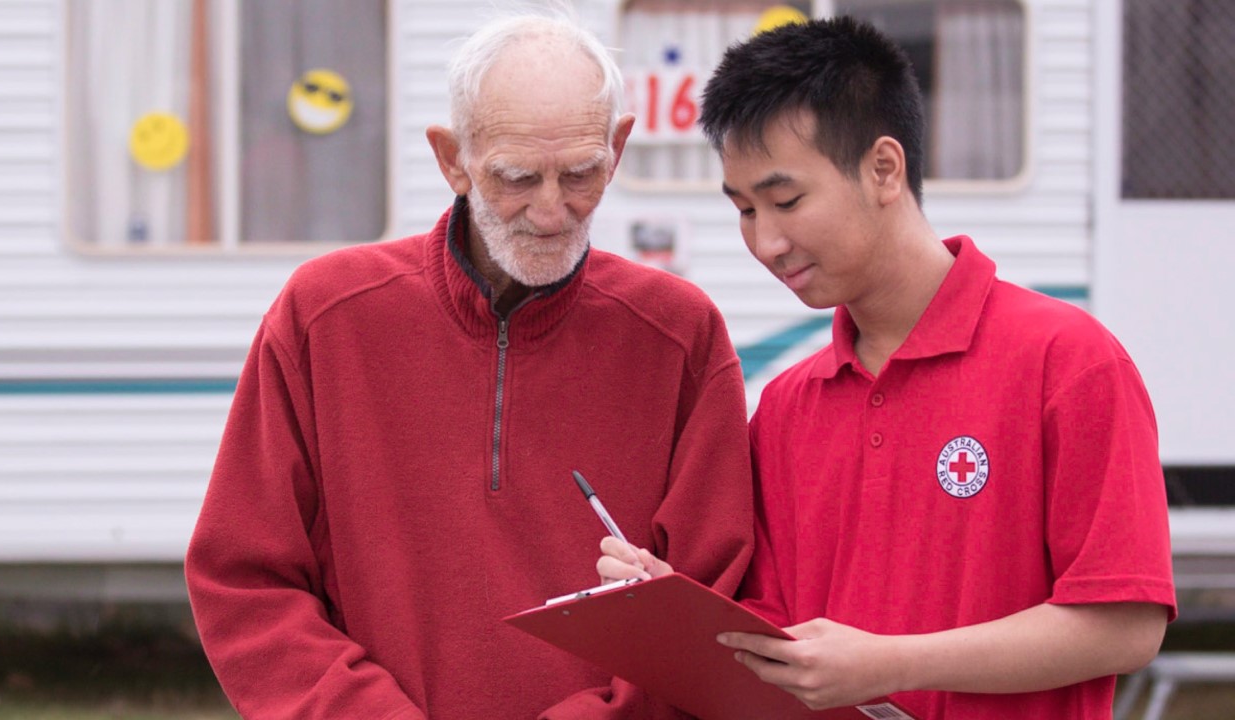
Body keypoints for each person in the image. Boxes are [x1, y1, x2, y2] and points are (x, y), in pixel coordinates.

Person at [598, 15, 1175, 719]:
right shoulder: (785, 407)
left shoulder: (1070, 362)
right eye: (745, 210)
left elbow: (1126, 624)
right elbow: (778, 634)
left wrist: (891, 663)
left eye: (785, 201)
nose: (766, 241)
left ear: (884, 169)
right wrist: (669, 600)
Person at [184, 8, 753, 719]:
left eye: (581, 174)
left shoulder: (679, 335)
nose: (552, 211)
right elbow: (245, 579)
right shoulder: (325, 317)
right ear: (451, 158)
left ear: (620, 146)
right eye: (517, 177)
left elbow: (715, 597)